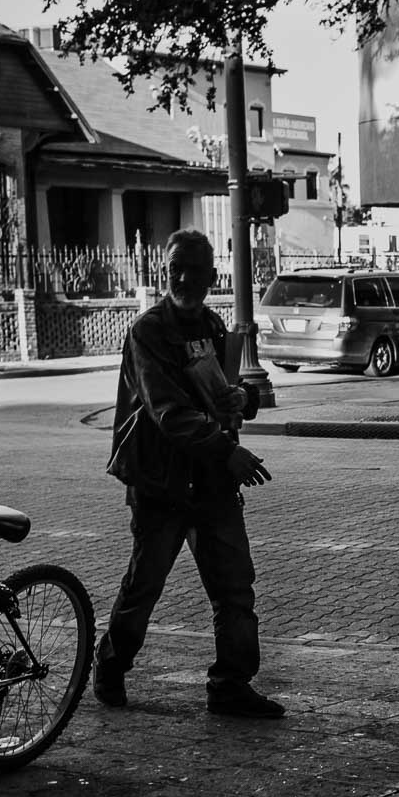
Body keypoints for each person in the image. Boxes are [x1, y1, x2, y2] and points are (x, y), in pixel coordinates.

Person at [94, 228, 282, 719]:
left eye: (195, 270)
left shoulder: (216, 328)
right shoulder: (148, 332)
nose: (183, 278)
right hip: (162, 483)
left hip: (213, 484)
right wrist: (226, 453)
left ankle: (231, 684)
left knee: (235, 587)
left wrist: (245, 397)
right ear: (165, 272)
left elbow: (228, 390)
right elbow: (168, 412)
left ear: (211, 275)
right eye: (176, 268)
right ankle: (110, 665)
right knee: (145, 584)